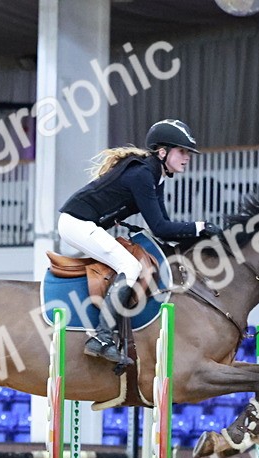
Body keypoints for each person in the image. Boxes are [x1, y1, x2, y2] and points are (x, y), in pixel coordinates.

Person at [57, 119, 219, 366]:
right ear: (162, 152)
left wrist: (200, 234)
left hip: (85, 224)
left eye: (188, 153)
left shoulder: (156, 175)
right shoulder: (143, 174)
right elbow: (161, 227)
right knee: (131, 267)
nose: (187, 157)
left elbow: (164, 229)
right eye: (182, 151)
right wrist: (201, 227)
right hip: (77, 223)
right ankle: (101, 338)